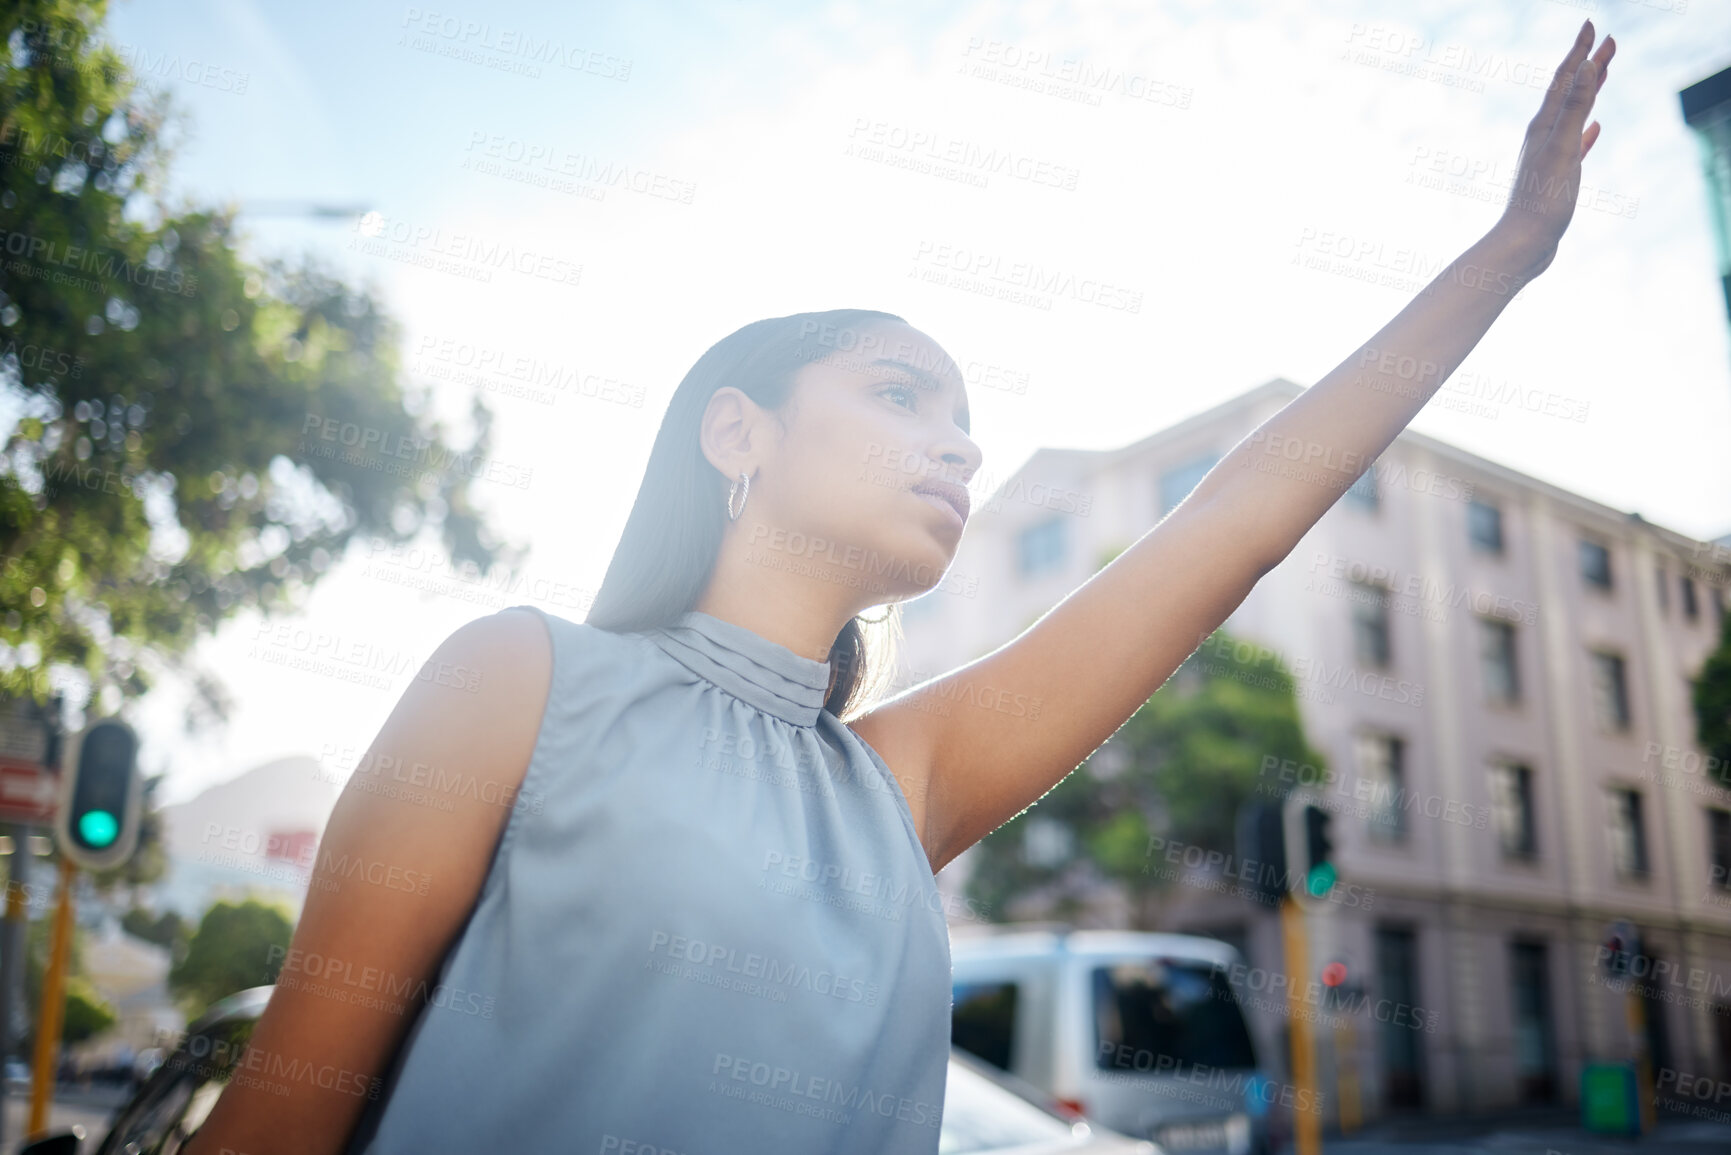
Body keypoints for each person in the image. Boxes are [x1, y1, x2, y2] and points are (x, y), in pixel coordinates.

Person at [185, 21, 1614, 1155]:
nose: (959, 440)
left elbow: (1232, 526)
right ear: (736, 431)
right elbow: (288, 1109)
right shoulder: (520, 679)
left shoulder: (902, 784)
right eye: (899, 391)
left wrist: (1506, 258)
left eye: (965, 415)